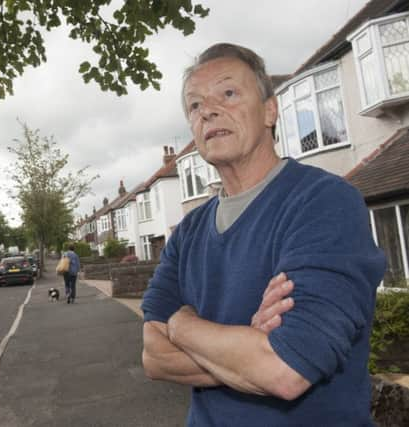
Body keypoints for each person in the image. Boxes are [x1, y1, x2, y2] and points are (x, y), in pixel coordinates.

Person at [141, 43, 386, 426]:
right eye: (194, 105)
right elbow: (153, 358)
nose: (208, 110)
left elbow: (285, 370)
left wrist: (181, 325)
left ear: (270, 110)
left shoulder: (324, 203)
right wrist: (245, 344)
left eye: (229, 93)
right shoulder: (187, 232)